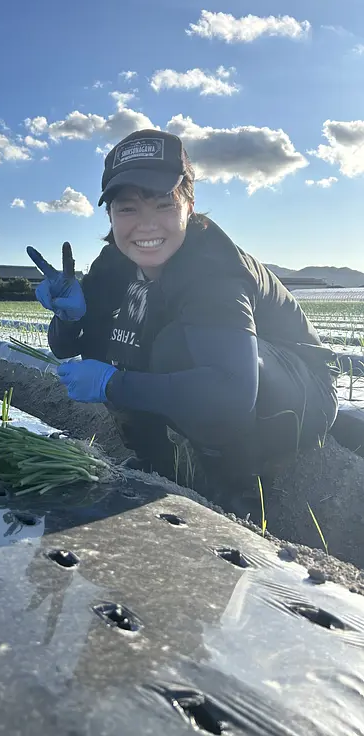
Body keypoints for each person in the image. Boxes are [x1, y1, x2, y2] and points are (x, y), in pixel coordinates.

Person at [27, 128, 341, 512]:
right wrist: (71, 317)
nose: (146, 225)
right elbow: (67, 347)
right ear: (110, 214)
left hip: (300, 394)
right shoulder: (114, 261)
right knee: (117, 334)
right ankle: (158, 460)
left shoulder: (212, 267)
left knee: (175, 346)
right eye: (128, 209)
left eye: (163, 204)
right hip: (239, 383)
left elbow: (233, 392)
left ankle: (236, 483)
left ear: (189, 206)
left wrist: (112, 384)